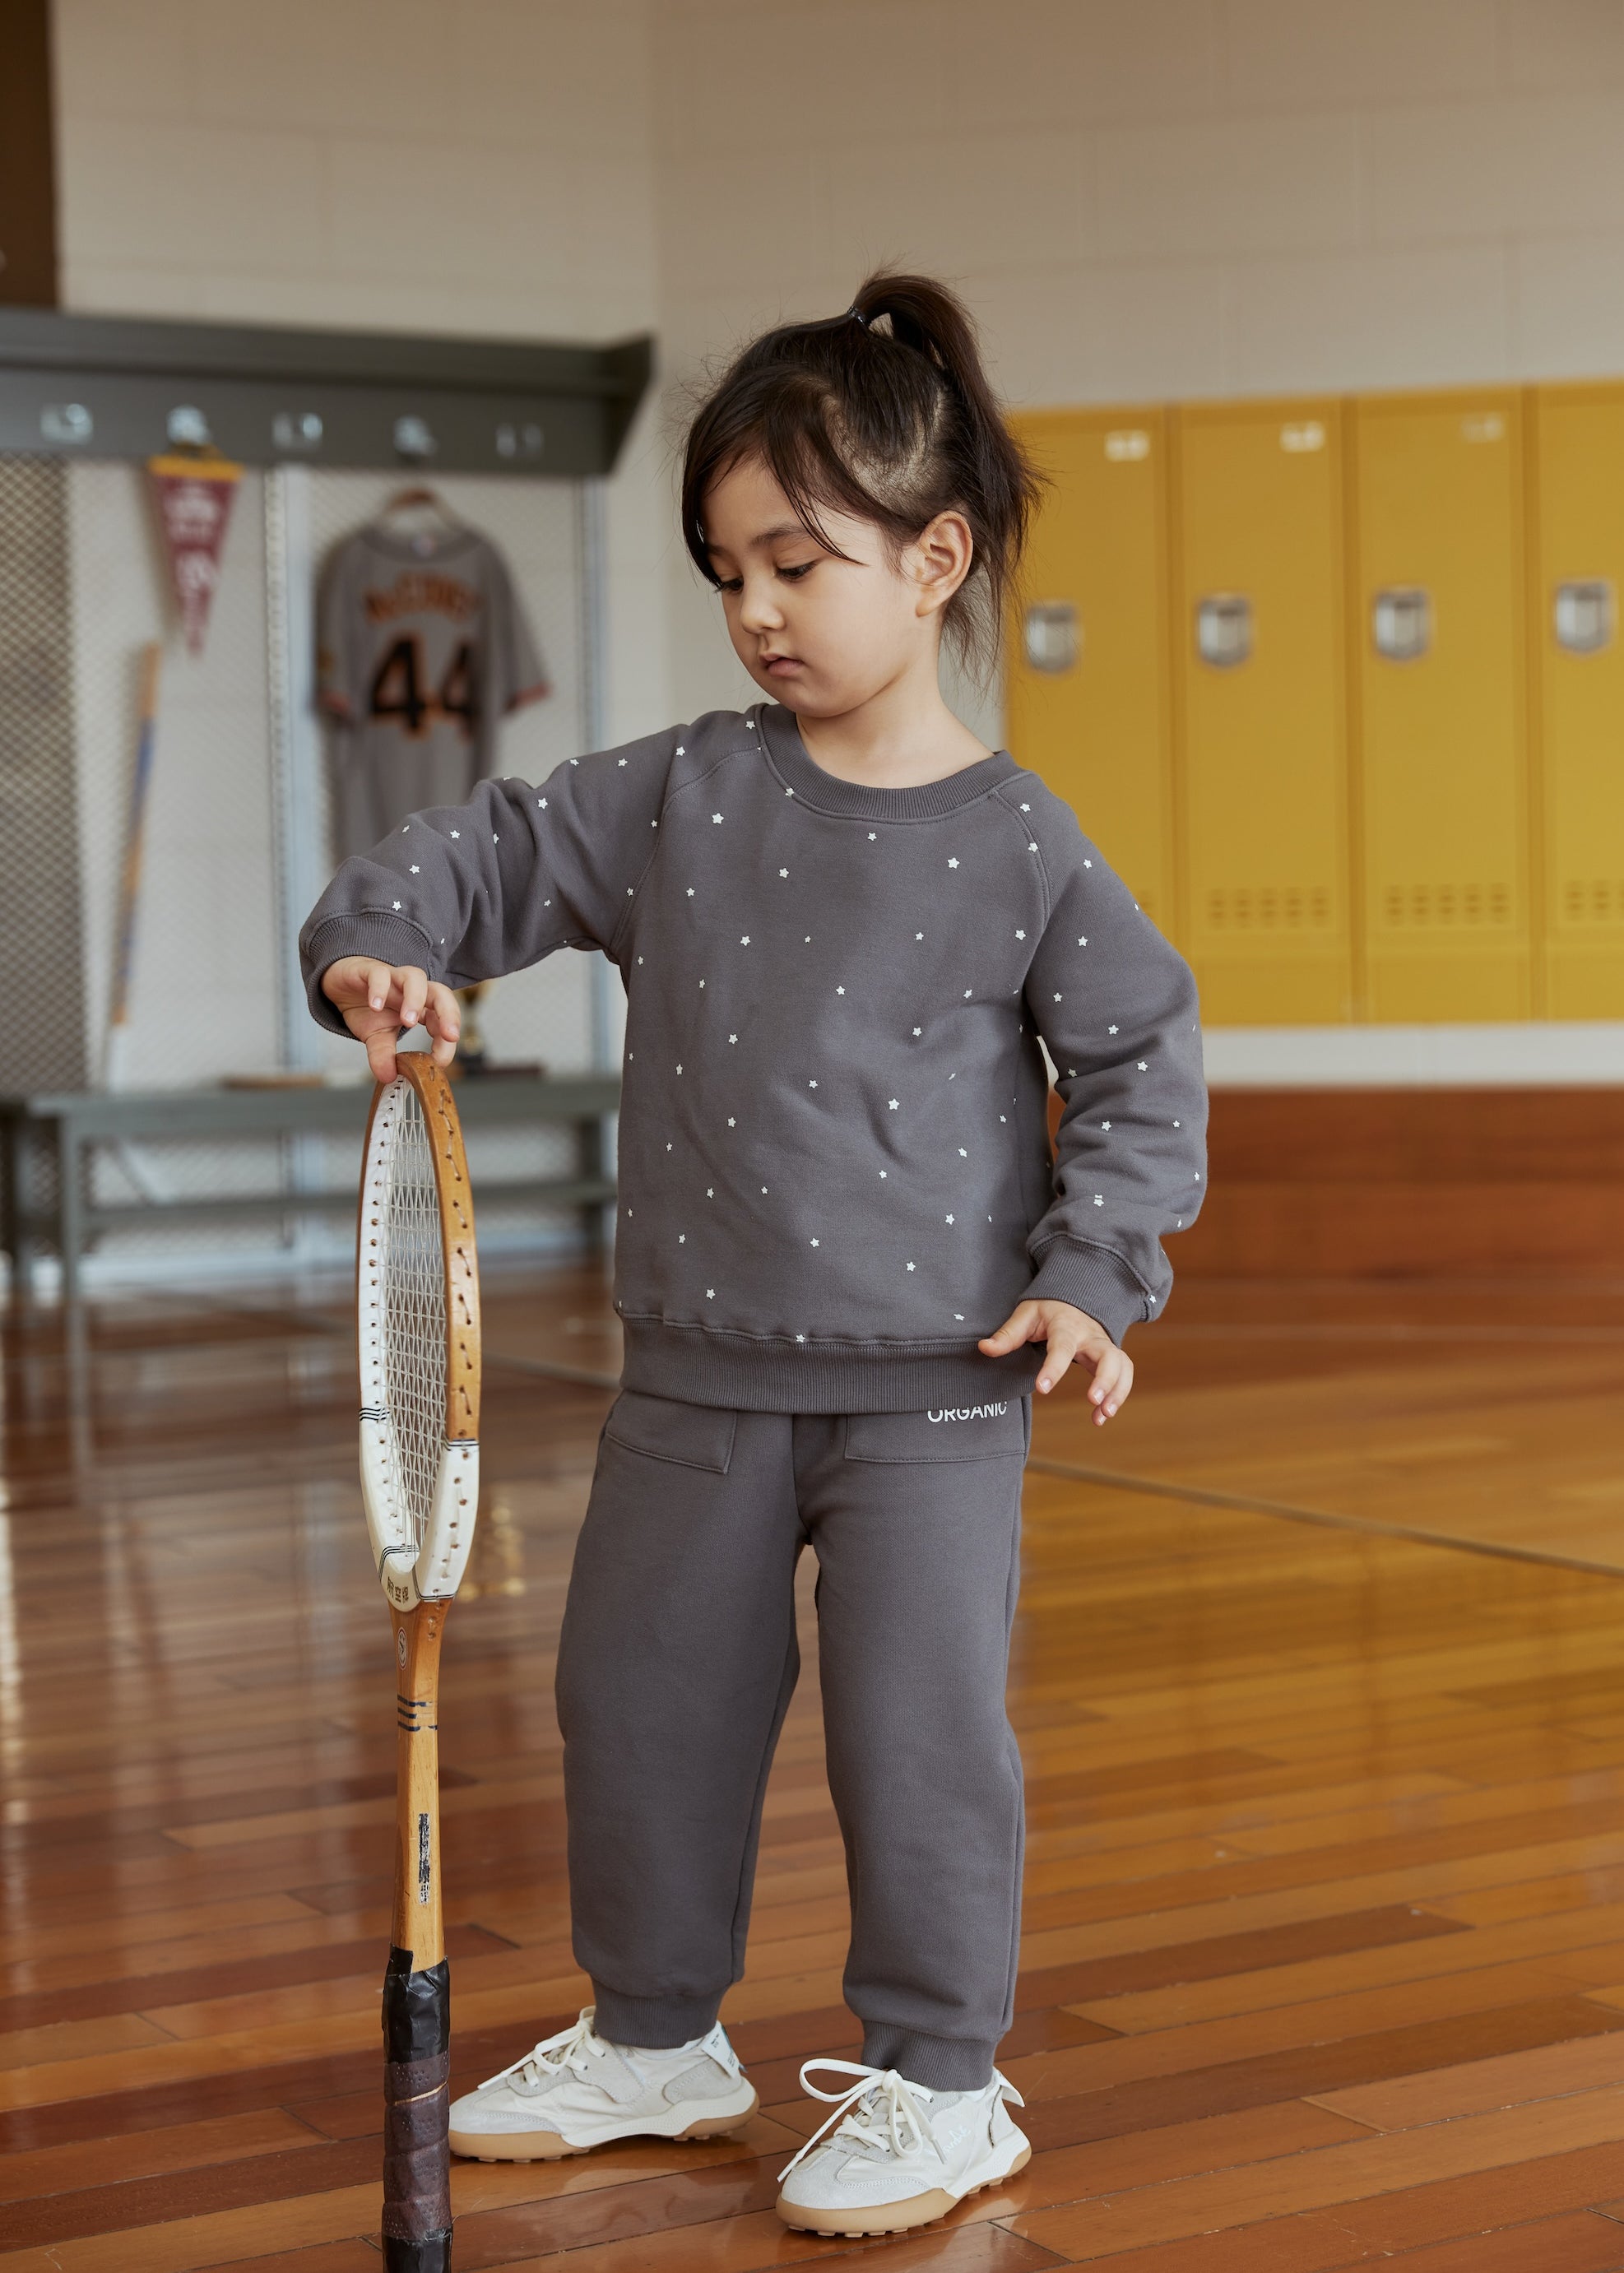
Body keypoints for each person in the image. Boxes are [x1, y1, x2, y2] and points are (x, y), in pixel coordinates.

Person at [299, 271, 1207, 2239]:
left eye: (799, 560)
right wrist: (382, 940)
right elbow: (479, 855)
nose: (758, 609)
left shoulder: (1026, 838)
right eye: (728, 570)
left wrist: (1098, 1263)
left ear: (935, 554)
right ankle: (654, 2033)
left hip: (939, 1399)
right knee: (635, 1701)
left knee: (920, 1740)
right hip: (694, 1375)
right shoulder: (680, 796)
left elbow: (1141, 1052)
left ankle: (943, 2078)